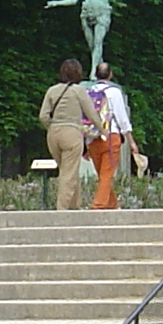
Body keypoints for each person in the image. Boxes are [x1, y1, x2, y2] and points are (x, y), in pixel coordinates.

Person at [39, 57, 99, 212]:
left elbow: (43, 116)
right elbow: (91, 114)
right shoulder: (78, 91)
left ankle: (75, 205)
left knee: (68, 170)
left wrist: (51, 127)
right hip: (72, 132)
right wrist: (103, 130)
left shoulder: (52, 90)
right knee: (68, 173)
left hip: (53, 134)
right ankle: (62, 209)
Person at [86, 62, 137, 210]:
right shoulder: (114, 91)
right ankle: (99, 205)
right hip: (110, 136)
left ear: (95, 75)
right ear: (110, 74)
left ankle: (112, 204)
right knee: (107, 174)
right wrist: (131, 141)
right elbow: (122, 118)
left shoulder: (88, 91)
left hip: (92, 138)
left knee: (103, 175)